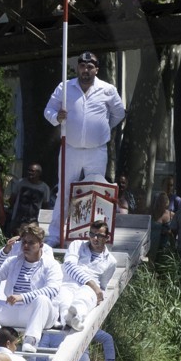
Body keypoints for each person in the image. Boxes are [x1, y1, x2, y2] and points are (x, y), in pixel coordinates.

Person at [44, 50, 125, 245]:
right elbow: (48, 110)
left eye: (90, 67)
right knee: (64, 191)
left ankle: (93, 236)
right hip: (70, 148)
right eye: (82, 66)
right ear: (77, 68)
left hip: (97, 151)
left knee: (95, 191)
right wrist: (57, 118)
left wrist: (103, 128)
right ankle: (55, 235)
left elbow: (119, 113)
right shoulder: (65, 87)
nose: (85, 70)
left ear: (96, 69)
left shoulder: (108, 89)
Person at [0, 223, 63, 344]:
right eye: (24, 242)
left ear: (41, 245)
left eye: (31, 242)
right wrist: (4, 252)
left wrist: (21, 297)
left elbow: (52, 290)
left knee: (42, 299)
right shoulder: (13, 261)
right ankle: (0, 337)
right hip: (13, 309)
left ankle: (30, 341)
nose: (26, 245)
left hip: (38, 313)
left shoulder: (51, 264)